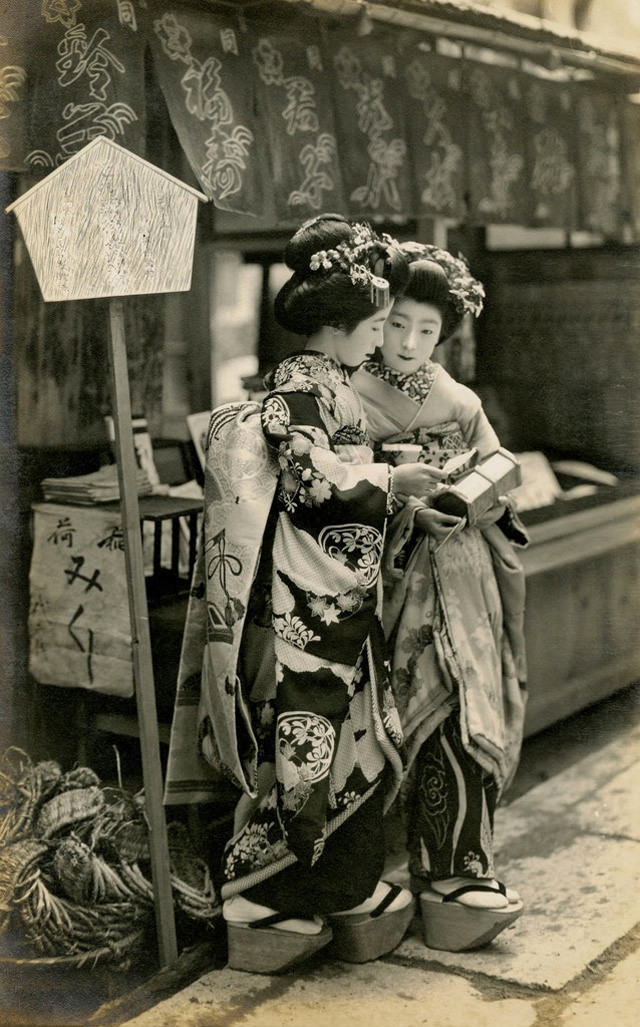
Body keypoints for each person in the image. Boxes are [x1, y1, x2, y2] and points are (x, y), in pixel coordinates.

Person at [164, 217, 440, 973]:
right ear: (336, 325)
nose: (383, 340)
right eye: (379, 325)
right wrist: (390, 481)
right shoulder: (298, 383)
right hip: (304, 609)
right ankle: (259, 895)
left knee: (345, 749)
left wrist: (399, 497)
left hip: (333, 595)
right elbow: (311, 483)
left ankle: (335, 890)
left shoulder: (332, 384)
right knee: (308, 751)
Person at [353, 243, 529, 952]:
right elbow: (332, 486)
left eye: (427, 330)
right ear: (377, 318)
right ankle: (371, 874)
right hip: (387, 581)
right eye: (398, 324)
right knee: (383, 718)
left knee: (461, 713)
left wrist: (469, 495)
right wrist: (400, 508)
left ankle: (456, 865)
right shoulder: (347, 393)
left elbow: (501, 464)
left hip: (460, 578)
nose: (410, 342)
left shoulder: (456, 397)